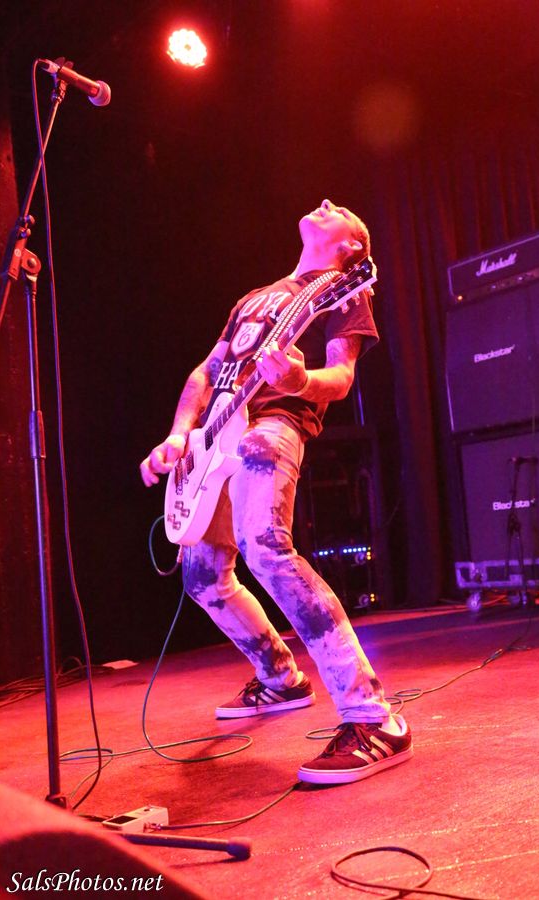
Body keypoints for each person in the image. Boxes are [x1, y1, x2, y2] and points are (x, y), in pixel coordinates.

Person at [140, 199, 412, 784]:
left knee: (264, 547)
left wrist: (297, 378)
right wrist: (180, 435)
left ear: (351, 248)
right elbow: (205, 371)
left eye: (341, 210)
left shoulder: (344, 290)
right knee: (202, 577)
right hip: (213, 440)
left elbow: (340, 378)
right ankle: (280, 677)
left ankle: (374, 717)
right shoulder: (254, 298)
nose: (325, 203)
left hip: (274, 424)